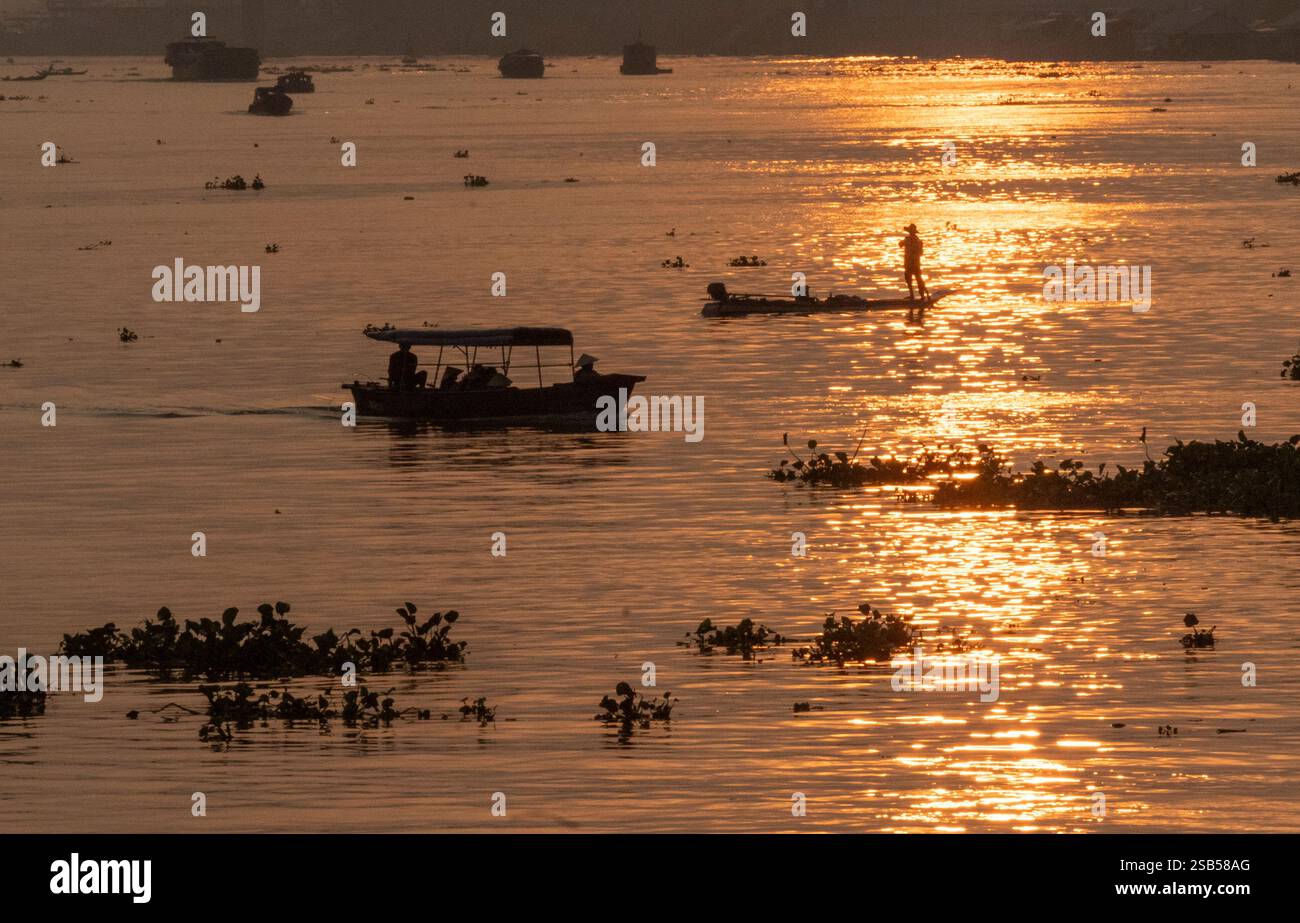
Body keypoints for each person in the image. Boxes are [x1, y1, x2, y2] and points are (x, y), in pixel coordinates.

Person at [899, 223, 929, 301]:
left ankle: (917, 296)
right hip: (914, 263)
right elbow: (921, 253)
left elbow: (900, 245)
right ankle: (921, 296)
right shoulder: (917, 241)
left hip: (911, 263)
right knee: (917, 279)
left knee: (913, 279)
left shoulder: (909, 240)